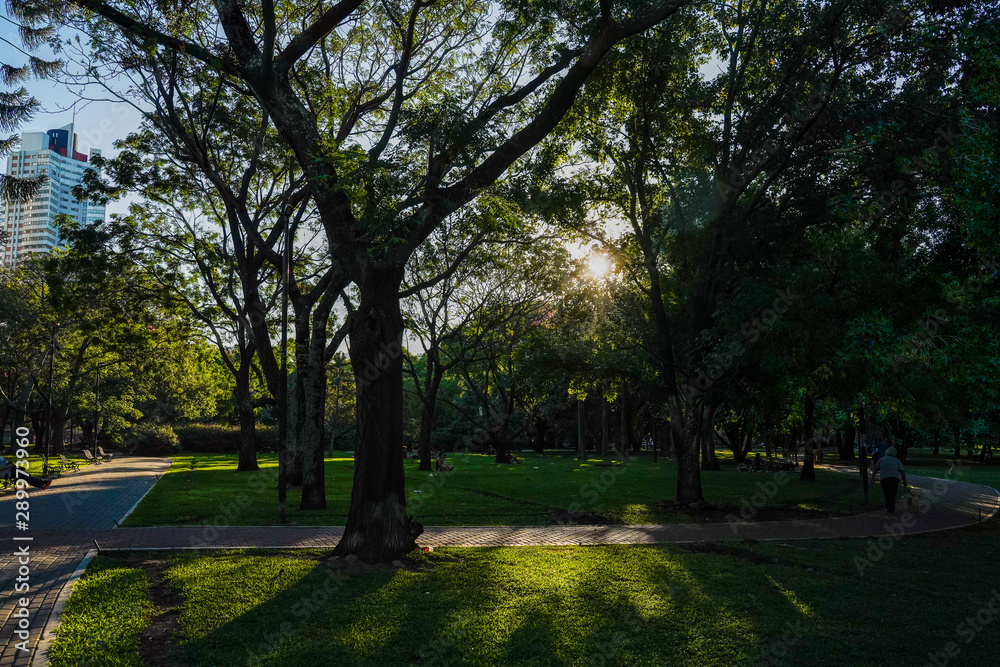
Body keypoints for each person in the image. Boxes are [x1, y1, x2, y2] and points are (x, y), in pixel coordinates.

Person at [874, 446, 907, 514]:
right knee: (893, 494)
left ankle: (887, 506)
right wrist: (904, 480)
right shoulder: (897, 461)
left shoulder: (882, 459)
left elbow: (876, 469)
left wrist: (872, 478)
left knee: (886, 493)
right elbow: (902, 471)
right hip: (894, 479)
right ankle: (891, 508)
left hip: (884, 479)